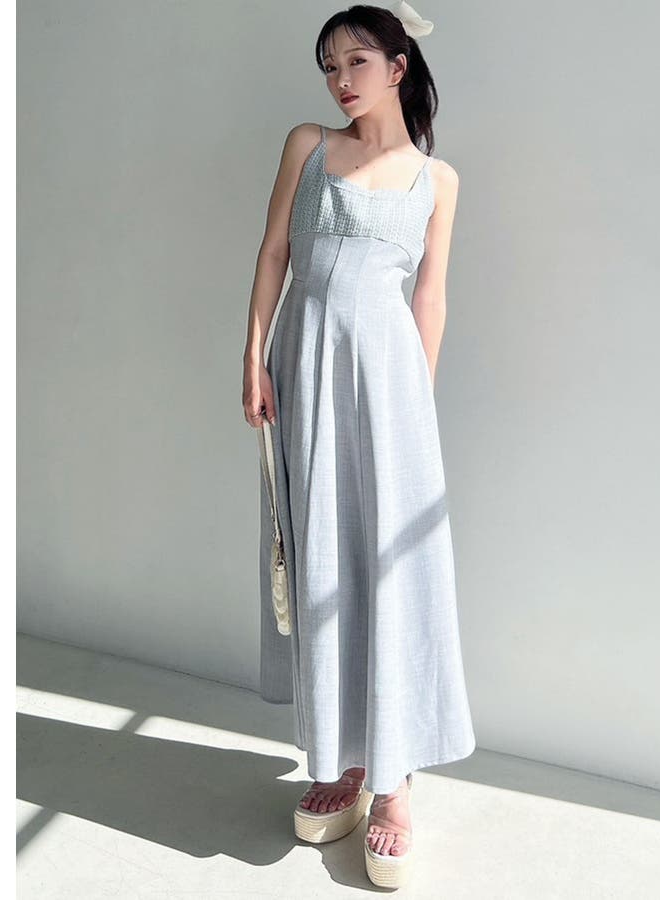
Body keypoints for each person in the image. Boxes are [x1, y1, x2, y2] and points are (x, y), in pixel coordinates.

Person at [242, 3, 476, 887]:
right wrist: (253, 355)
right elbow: (273, 254)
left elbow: (430, 299)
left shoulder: (437, 180)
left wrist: (417, 407)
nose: (341, 81)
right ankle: (341, 758)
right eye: (329, 65)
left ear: (399, 66)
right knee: (320, 561)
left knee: (388, 571)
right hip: (302, 371)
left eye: (358, 62)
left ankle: (394, 783)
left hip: (391, 390)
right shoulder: (307, 146)